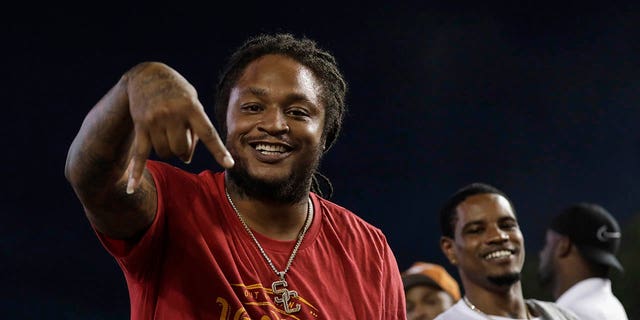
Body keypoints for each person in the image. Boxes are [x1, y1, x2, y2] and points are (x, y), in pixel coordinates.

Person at [64, 33, 406, 319]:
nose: (273, 124)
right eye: (253, 107)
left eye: (298, 112)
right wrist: (134, 84)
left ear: (326, 134)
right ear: (225, 122)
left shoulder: (368, 251)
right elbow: (91, 178)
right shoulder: (173, 205)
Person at [435, 182, 577, 320]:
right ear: (450, 249)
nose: (499, 236)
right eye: (476, 230)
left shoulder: (563, 316)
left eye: (507, 225)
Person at [538, 202, 629, 319]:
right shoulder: (613, 307)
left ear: (563, 246)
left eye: (547, 244)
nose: (542, 253)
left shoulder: (572, 313)